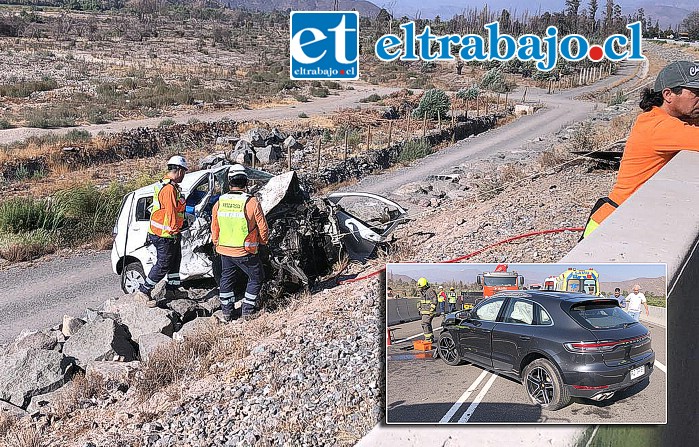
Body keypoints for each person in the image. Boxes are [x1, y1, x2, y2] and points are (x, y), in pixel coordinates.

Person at [582, 60, 699, 238]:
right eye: (695, 93)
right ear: (668, 94)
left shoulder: (657, 118)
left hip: (621, 217)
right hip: (612, 224)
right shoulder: (660, 126)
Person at [211, 165, 269, 321]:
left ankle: (227, 312)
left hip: (224, 250)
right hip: (244, 251)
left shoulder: (219, 202)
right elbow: (263, 228)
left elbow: (214, 227)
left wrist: (216, 243)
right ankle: (248, 310)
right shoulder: (251, 202)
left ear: (230, 182)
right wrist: (263, 244)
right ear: (246, 182)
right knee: (256, 278)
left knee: (226, 279)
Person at [135, 156, 189, 307]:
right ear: (178, 171)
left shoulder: (166, 185)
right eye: (183, 172)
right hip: (165, 234)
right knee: (163, 264)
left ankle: (172, 289)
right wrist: (175, 230)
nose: (184, 175)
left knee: (174, 262)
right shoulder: (169, 189)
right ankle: (144, 291)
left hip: (167, 233)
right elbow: (171, 213)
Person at [416, 278, 437, 343]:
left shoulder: (430, 291)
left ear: (425, 286)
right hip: (424, 311)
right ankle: (430, 338)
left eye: (421, 287)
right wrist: (419, 307)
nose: (420, 288)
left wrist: (432, 310)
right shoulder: (422, 292)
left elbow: (434, 300)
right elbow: (421, 301)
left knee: (424, 323)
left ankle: (428, 339)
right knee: (427, 324)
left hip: (429, 312)